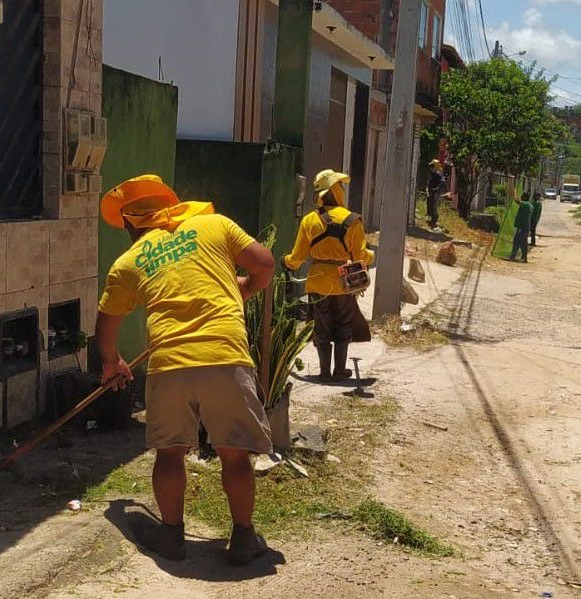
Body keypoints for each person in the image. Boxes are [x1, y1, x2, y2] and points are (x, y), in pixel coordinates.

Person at [95, 175, 276, 564]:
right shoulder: (214, 224)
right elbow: (264, 264)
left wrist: (112, 361)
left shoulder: (127, 262)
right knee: (234, 454)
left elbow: (106, 324)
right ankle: (244, 539)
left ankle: (171, 538)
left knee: (170, 454)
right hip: (225, 356)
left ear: (128, 224)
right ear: (170, 204)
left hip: (170, 364)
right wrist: (245, 288)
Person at [284, 169, 375, 382]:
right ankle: (339, 372)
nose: (342, 190)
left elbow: (297, 257)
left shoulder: (309, 220)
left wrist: (286, 262)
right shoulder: (353, 220)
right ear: (334, 190)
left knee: (321, 326)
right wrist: (371, 256)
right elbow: (361, 256)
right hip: (344, 282)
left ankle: (324, 373)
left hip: (317, 282)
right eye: (339, 186)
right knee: (343, 324)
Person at [508, 192, 533, 263]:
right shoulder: (529, 205)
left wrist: (514, 193)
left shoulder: (526, 204)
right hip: (525, 227)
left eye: (522, 196)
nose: (521, 197)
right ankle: (524, 258)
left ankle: (512, 257)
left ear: (525, 197)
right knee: (523, 244)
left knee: (516, 241)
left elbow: (517, 201)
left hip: (522, 227)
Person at [426, 159, 446, 231]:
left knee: (434, 205)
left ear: (435, 166)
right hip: (432, 192)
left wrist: (437, 189)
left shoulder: (439, 173)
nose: (431, 167)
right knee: (430, 204)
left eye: (432, 166)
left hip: (436, 192)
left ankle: (434, 221)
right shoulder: (434, 173)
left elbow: (443, 182)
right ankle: (431, 220)